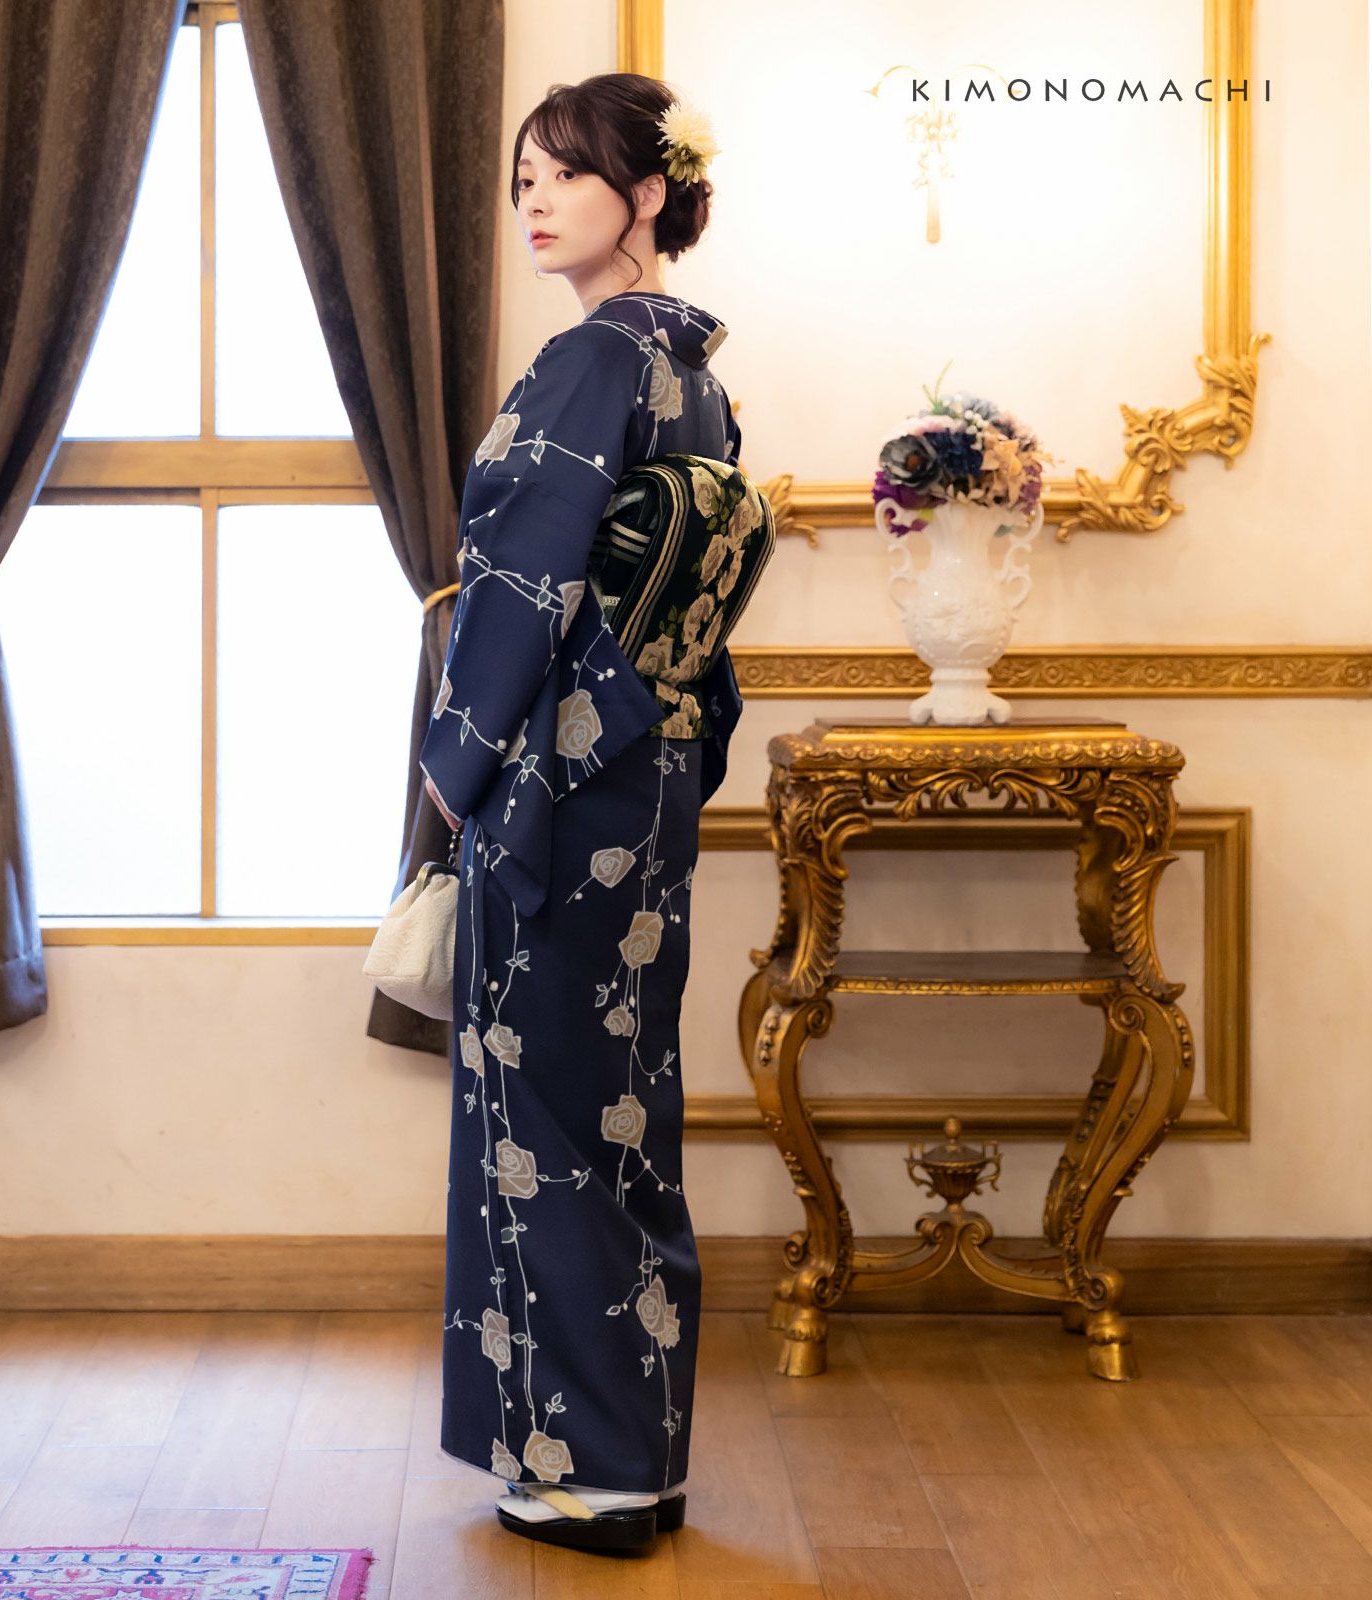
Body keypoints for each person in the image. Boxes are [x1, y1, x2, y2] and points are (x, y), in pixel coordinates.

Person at [416, 71, 753, 1555]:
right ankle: (639, 1456)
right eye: (523, 180)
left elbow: (526, 583)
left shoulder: (591, 361)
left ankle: (587, 1471)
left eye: (564, 172)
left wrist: (452, 769)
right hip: (643, 775)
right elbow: (697, 606)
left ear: (649, 192)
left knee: (543, 1117)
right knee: (622, 1113)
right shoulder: (692, 368)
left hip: (557, 784)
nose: (535, 200)